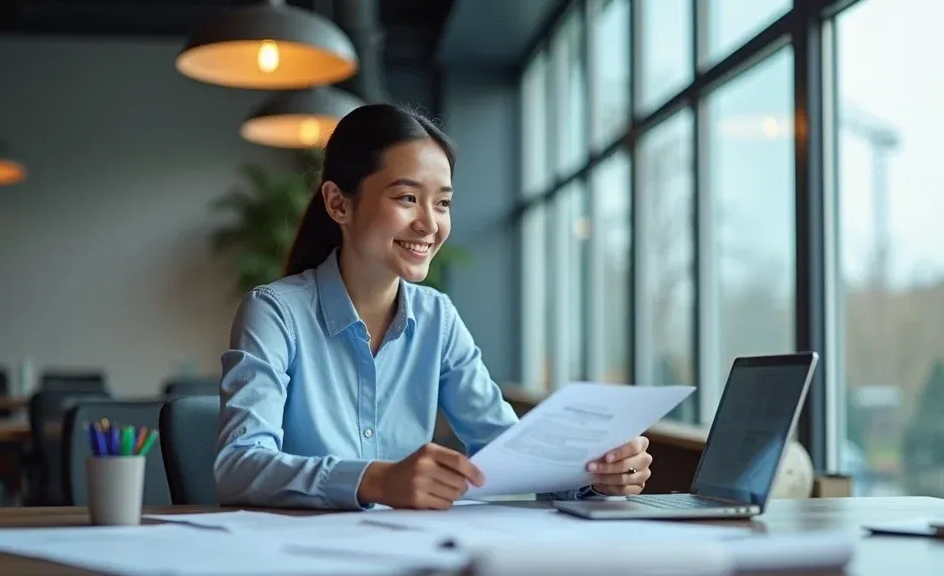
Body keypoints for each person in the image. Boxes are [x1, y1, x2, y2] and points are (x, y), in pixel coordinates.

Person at [213, 104, 652, 510]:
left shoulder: (437, 318)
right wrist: (376, 481)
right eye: (407, 198)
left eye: (442, 202)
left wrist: (596, 474)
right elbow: (238, 466)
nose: (429, 223)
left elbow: (508, 449)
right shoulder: (274, 312)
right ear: (338, 203)